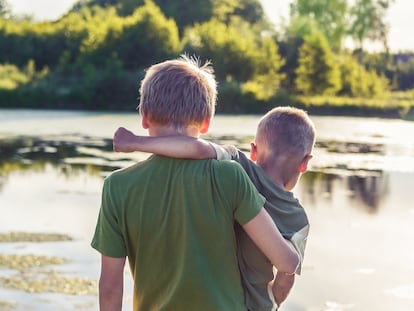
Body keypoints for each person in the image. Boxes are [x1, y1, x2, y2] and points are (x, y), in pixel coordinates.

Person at [91, 55, 299, 311]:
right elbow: (286, 262)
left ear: (144, 117)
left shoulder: (117, 187)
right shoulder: (230, 176)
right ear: (207, 122)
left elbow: (110, 288)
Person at [113, 106, 316, 310]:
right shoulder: (298, 219)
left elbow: (197, 148)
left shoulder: (239, 165)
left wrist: (135, 142)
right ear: (305, 163)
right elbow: (285, 279)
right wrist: (270, 302)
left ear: (254, 151)